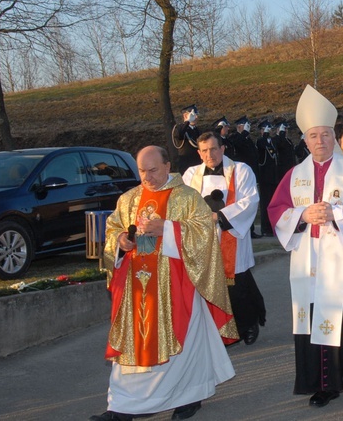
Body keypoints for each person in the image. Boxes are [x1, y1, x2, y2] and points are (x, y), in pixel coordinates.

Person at [91, 146, 238, 421]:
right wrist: (121, 241)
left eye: (154, 170)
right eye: (142, 171)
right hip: (136, 291)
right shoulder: (128, 199)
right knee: (130, 346)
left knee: (185, 347)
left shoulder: (186, 197)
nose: (147, 177)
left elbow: (205, 233)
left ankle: (189, 397)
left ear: (168, 166)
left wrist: (167, 229)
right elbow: (113, 231)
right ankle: (121, 407)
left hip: (176, 286)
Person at [267, 85, 343, 409]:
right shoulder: (293, 175)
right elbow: (276, 212)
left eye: (327, 135)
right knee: (315, 320)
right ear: (305, 140)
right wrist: (302, 213)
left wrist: (336, 213)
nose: (321, 141)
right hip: (310, 261)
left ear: (335, 137)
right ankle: (324, 385)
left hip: (342, 260)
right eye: (314, 136)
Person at [182, 132, 266, 345]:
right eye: (204, 150)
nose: (209, 154)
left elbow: (250, 201)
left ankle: (247, 323)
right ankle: (217, 330)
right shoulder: (190, 175)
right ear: (199, 153)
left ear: (222, 149)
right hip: (203, 240)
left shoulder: (241, 171)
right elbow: (182, 204)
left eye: (213, 149)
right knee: (210, 287)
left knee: (238, 287)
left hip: (232, 236)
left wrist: (219, 217)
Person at [256, 120, 279, 237]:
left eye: (268, 129)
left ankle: (272, 227)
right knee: (265, 203)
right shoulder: (260, 141)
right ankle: (265, 228)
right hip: (265, 177)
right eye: (265, 128)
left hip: (273, 177)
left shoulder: (272, 141)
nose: (268, 130)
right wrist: (264, 135)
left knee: (273, 203)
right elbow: (262, 146)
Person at [172, 104, 202, 173]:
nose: (196, 117)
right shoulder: (179, 128)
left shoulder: (197, 130)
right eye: (194, 114)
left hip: (197, 163)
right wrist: (187, 122)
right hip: (186, 165)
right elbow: (179, 134)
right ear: (185, 115)